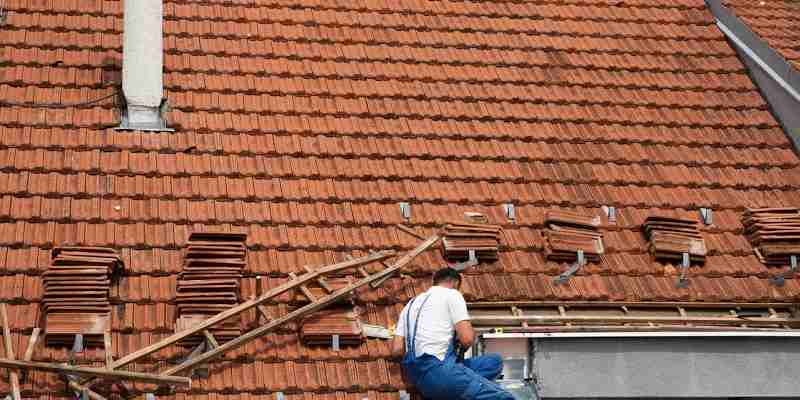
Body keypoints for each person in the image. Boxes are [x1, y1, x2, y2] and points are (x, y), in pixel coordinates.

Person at [391, 267, 515, 400]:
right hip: (441, 372)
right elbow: (466, 339)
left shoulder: (410, 304)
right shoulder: (452, 294)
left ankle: (463, 389)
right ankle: (462, 388)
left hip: (419, 378)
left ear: (435, 282)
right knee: (505, 397)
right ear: (455, 284)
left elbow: (397, 350)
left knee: (494, 362)